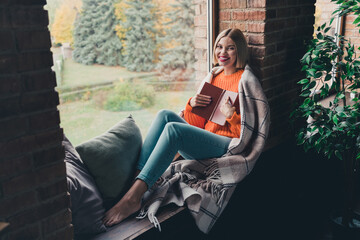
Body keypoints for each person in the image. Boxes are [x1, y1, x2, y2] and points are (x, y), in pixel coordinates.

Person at [103, 28, 250, 227]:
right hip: (206, 141)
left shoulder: (245, 81)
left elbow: (245, 135)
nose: (222, 52)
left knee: (173, 130)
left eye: (230, 48)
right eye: (219, 47)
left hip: (226, 146)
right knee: (165, 114)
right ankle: (136, 184)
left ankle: (133, 198)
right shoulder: (214, 76)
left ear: (239, 50)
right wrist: (193, 105)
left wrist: (231, 116)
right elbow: (196, 124)